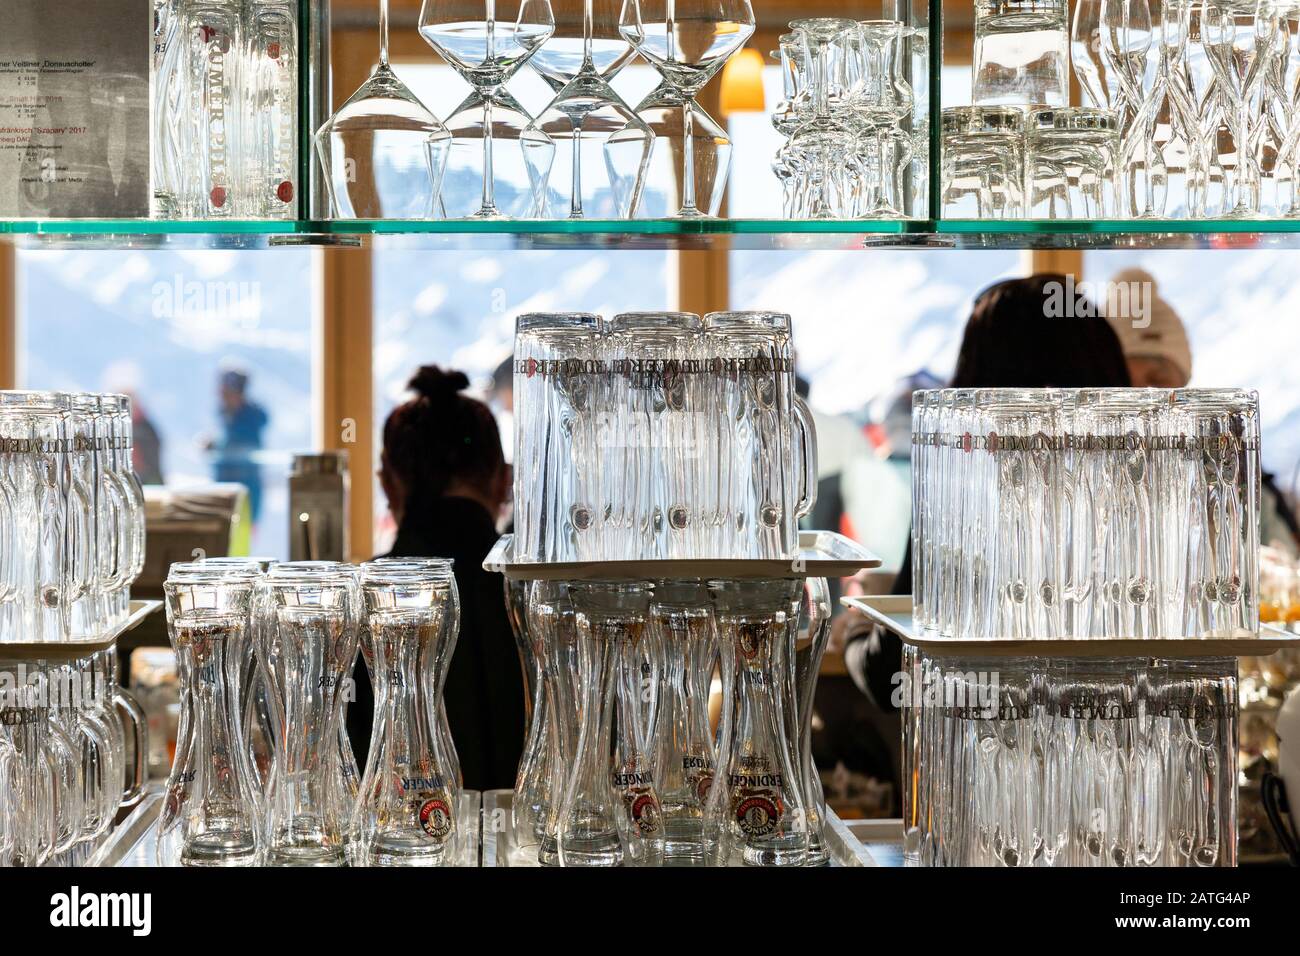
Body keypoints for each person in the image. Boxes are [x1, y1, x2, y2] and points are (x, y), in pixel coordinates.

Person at [841, 275, 1133, 733]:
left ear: (981, 380)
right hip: (1130, 765)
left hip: (991, 772)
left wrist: (856, 634)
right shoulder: (1143, 491)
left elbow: (894, 675)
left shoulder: (964, 490)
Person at [347, 365, 525, 792]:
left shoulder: (354, 603)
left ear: (387, 485)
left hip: (400, 846)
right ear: (505, 480)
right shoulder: (542, 594)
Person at [1103, 268, 1300, 551]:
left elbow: (1281, 566)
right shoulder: (1086, 480)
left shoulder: (1229, 474)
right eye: (1136, 385)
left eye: (1168, 386)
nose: (1154, 399)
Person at [209, 368, 269, 523]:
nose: (222, 396)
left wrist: (217, 447)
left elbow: (242, 449)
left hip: (244, 493)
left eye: (226, 391)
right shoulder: (227, 418)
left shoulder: (250, 421)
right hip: (224, 491)